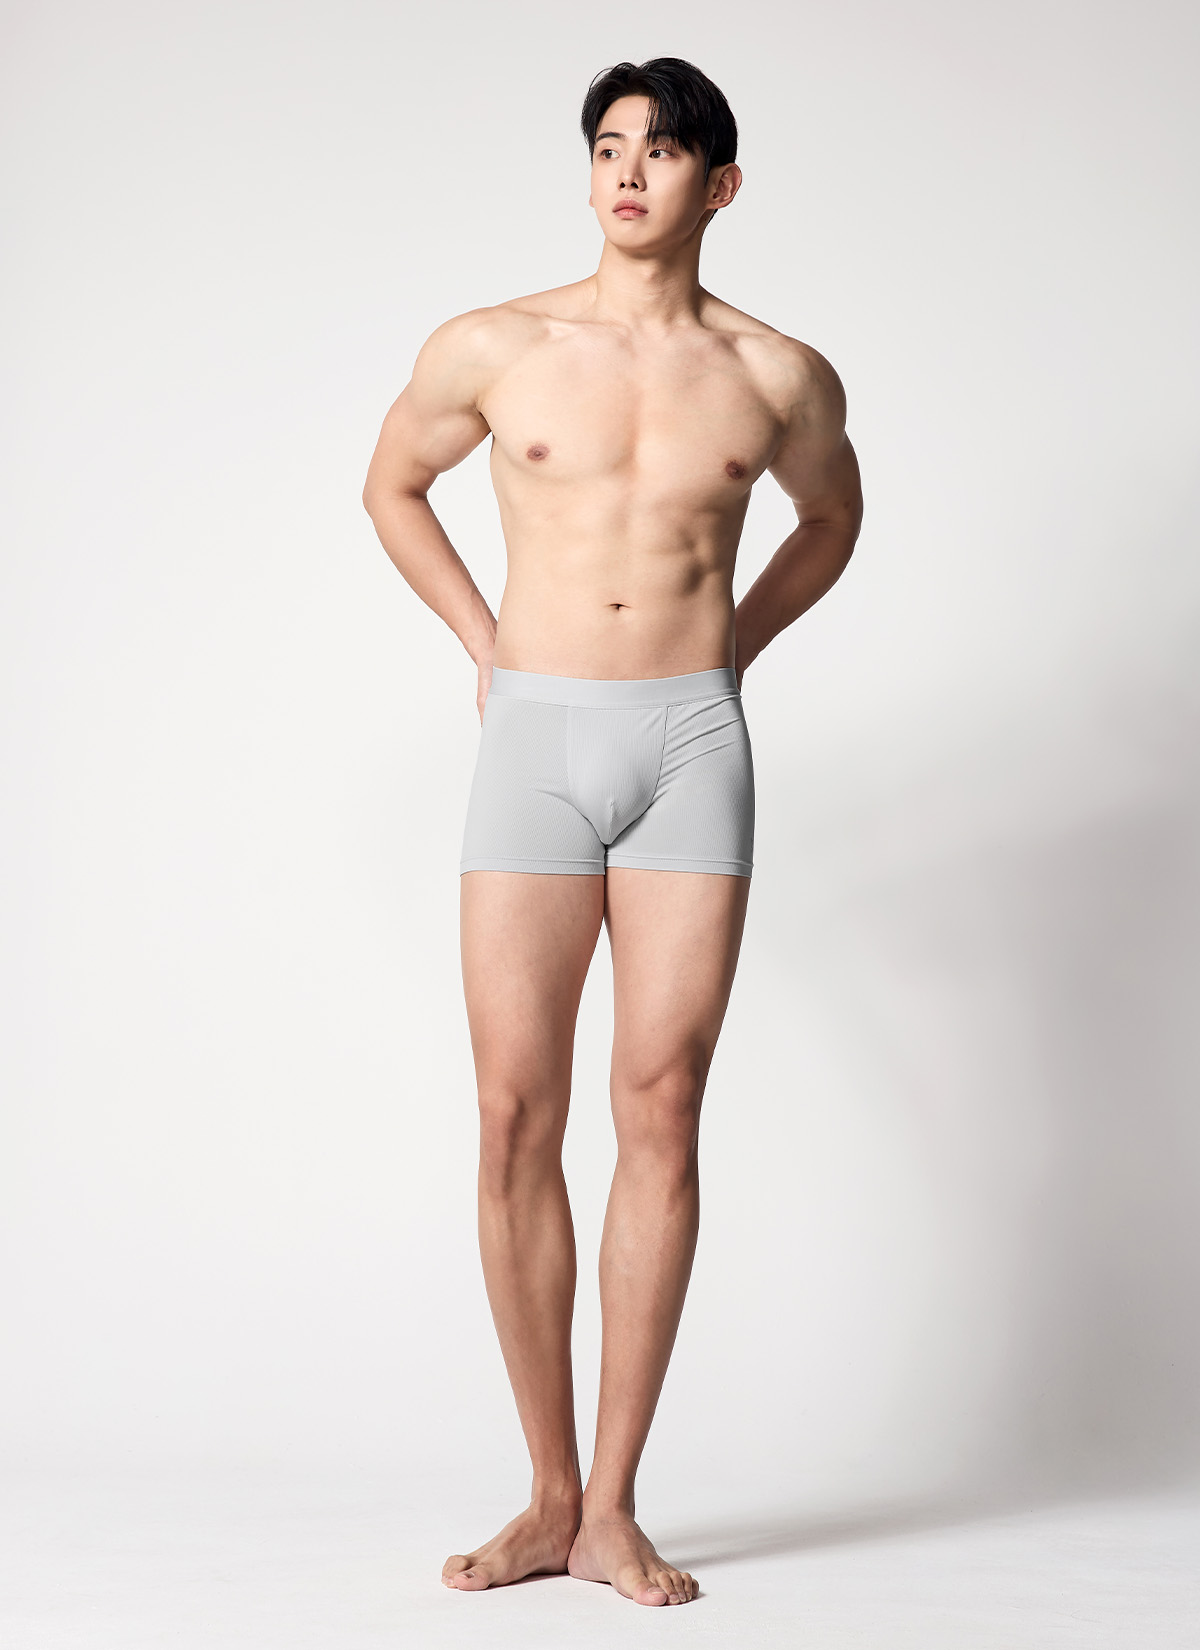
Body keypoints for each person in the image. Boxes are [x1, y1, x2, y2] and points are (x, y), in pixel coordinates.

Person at [362, 55, 863, 1608]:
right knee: (516, 1108)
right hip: (537, 737)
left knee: (661, 1101)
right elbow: (391, 486)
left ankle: (617, 1505)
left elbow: (833, 519)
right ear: (589, 174)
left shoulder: (779, 373)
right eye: (608, 146)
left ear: (722, 184)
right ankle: (544, 1492)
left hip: (689, 742)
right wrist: (485, 643)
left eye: (663, 150)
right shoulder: (496, 345)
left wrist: (734, 654)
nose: (630, 171)